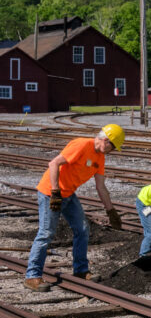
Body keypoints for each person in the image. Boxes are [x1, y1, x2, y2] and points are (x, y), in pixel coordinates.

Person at [25, 124, 124, 292]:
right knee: (46, 233)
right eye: (112, 147)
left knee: (82, 229)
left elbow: (101, 187)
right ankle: (32, 276)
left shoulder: (100, 157)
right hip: (50, 192)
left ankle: (80, 271)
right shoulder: (81, 145)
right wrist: (55, 192)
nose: (112, 151)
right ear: (106, 140)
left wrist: (111, 211)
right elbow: (53, 164)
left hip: (68, 195)